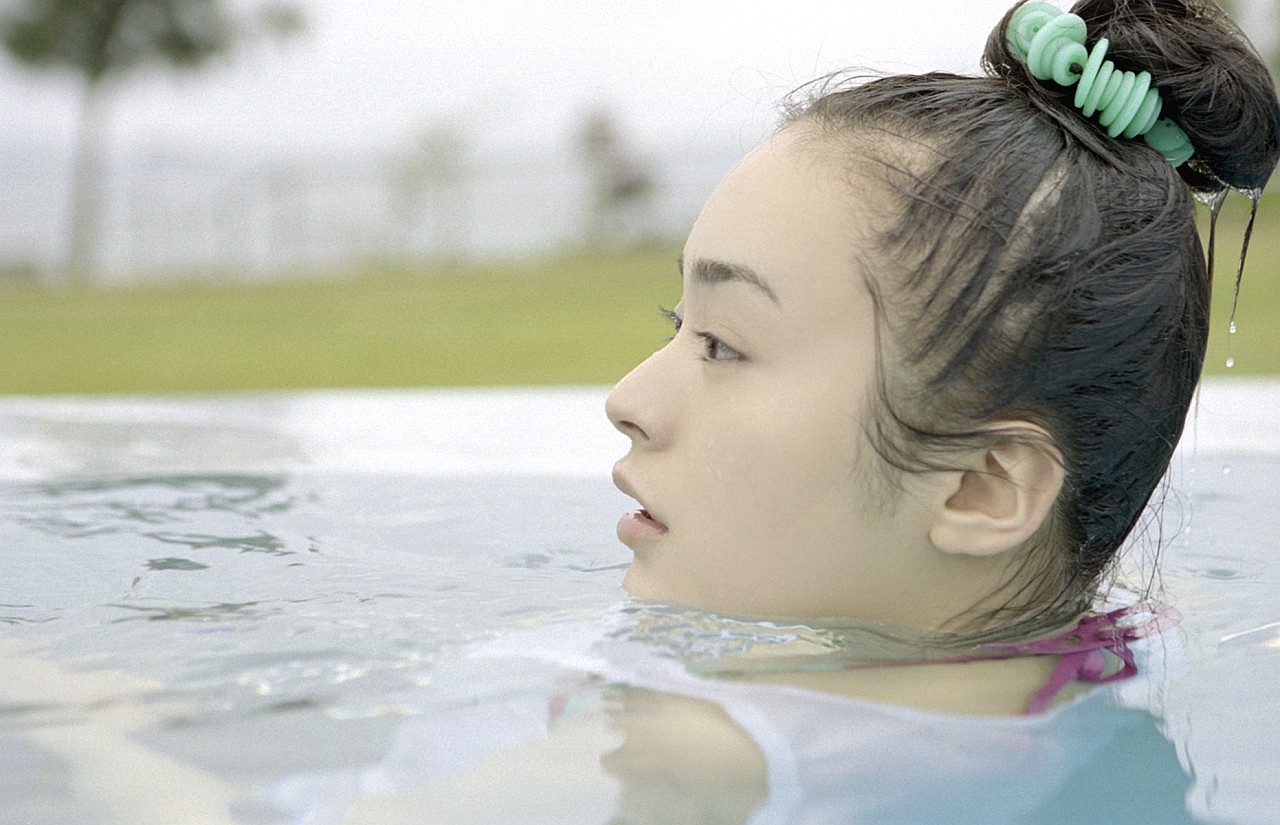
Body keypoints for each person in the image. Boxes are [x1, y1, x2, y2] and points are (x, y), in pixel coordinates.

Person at [605, 0, 1279, 715]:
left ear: (982, 487)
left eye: (721, 345)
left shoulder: (708, 741)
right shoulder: (1110, 650)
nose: (627, 402)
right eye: (679, 323)